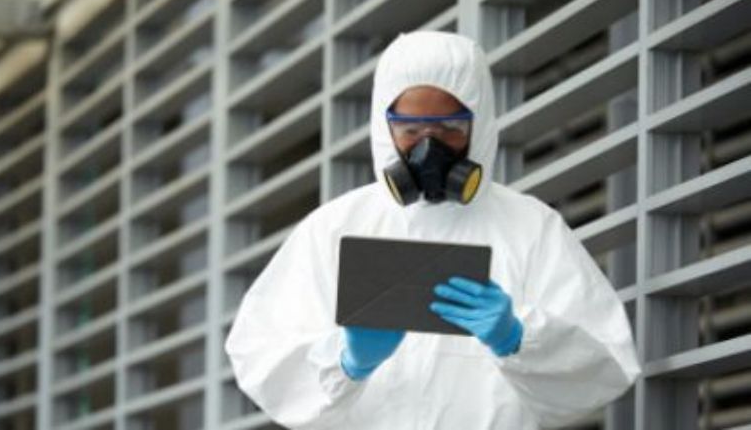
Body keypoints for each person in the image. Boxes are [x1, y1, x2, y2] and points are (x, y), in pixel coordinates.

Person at [224, 30, 641, 429]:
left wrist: (520, 338)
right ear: (384, 127)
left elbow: (605, 372)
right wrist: (347, 361)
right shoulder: (334, 229)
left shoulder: (531, 228)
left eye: (450, 130)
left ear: (479, 125)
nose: (429, 148)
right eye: (410, 131)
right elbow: (260, 356)